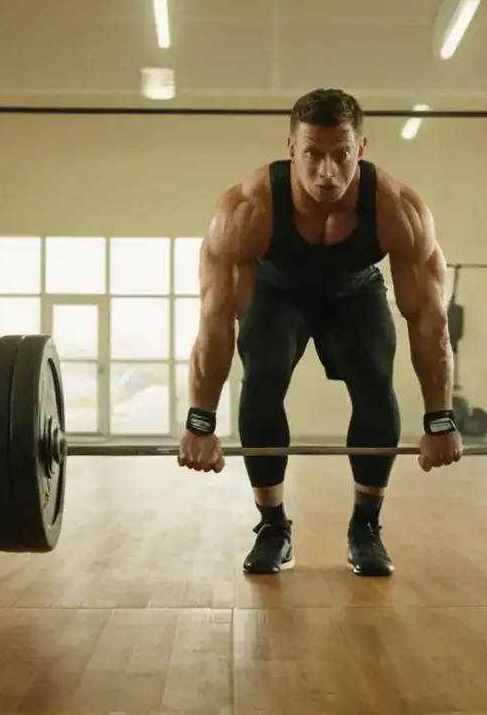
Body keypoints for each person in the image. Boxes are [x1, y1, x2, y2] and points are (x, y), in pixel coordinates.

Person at [177, 88, 463, 577]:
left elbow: (429, 320)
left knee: (375, 380)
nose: (327, 170)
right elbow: (216, 319)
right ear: (292, 150)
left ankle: (366, 527)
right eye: (312, 154)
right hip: (277, 290)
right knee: (262, 377)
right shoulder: (247, 210)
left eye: (341, 154)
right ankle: (272, 527)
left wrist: (440, 418)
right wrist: (201, 420)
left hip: (355, 293)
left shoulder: (399, 209)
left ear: (361, 149)